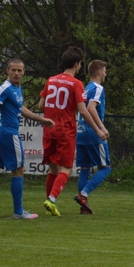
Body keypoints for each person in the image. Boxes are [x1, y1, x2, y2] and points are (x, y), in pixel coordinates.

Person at [0, 59, 54, 219]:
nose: (16, 73)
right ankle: (18, 212)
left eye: (19, 70)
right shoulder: (5, 88)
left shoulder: (16, 89)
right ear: (7, 71)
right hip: (7, 134)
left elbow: (20, 109)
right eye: (13, 70)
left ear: (24, 72)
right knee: (18, 170)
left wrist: (42, 120)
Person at [41, 47, 108, 217]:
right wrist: (98, 130)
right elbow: (84, 111)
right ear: (77, 64)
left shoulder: (51, 80)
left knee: (52, 169)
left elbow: (41, 105)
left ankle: (49, 204)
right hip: (66, 130)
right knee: (66, 169)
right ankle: (51, 200)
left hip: (49, 128)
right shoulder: (76, 84)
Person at [75, 60, 112, 215]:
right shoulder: (97, 88)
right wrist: (101, 128)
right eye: (104, 71)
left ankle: (84, 207)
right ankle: (83, 195)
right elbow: (91, 108)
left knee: (85, 168)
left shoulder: (86, 88)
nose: (105, 74)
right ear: (98, 72)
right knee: (105, 168)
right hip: (92, 132)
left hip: (81, 131)